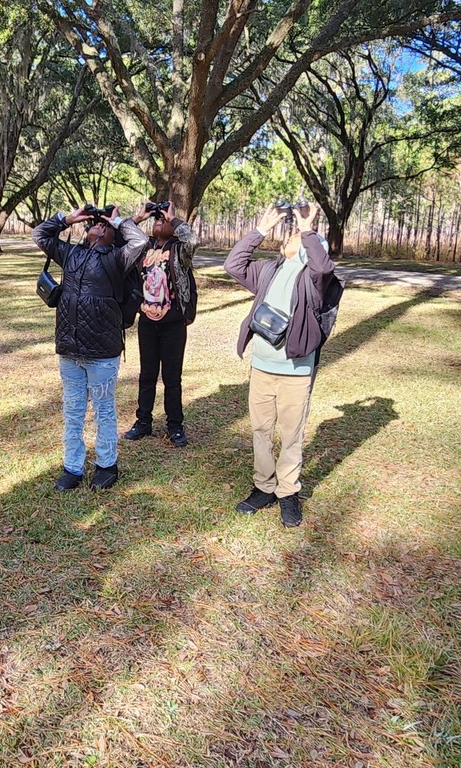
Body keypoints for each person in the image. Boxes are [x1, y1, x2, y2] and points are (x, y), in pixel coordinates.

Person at [224, 200, 336, 528]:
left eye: (295, 236)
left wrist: (307, 228)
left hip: (295, 371)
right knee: (261, 430)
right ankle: (264, 487)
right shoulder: (268, 270)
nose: (289, 236)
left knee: (291, 434)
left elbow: (323, 267)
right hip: (261, 366)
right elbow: (233, 265)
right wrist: (261, 229)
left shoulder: (313, 280)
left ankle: (288, 492)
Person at [32, 205, 147, 490]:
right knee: (73, 411)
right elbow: (40, 235)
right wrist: (68, 219)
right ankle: (72, 468)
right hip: (69, 350)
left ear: (114, 236)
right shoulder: (71, 253)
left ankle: (107, 465)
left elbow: (140, 241)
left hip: (102, 352)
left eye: (105, 226)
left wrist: (118, 221)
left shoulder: (118, 259)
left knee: (103, 411)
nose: (100, 225)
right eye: (96, 223)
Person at [123, 201, 198, 447]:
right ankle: (143, 421)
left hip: (173, 324)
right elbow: (122, 233)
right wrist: (140, 216)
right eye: (156, 219)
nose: (159, 220)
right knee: (147, 375)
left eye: (163, 219)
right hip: (147, 323)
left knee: (172, 378)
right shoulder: (143, 247)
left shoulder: (179, 250)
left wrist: (173, 218)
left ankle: (175, 425)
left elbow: (193, 240)